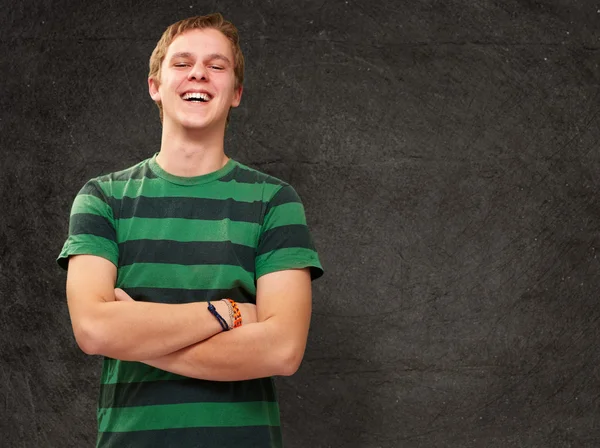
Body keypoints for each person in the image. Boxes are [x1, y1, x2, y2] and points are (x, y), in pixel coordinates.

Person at [57, 13, 323, 448]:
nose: (198, 72)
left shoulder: (274, 202)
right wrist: (228, 313)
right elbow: (94, 331)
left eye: (217, 65)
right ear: (154, 86)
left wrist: (137, 333)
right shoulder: (102, 198)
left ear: (235, 93)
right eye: (181, 63)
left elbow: (282, 350)